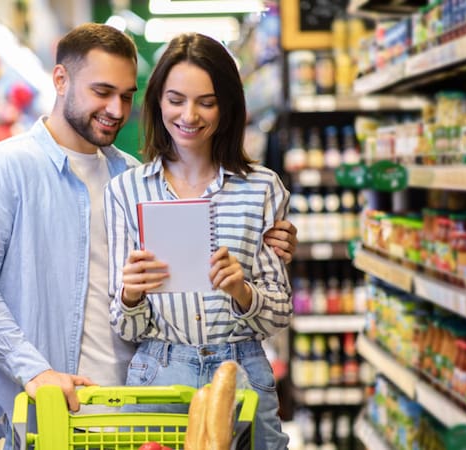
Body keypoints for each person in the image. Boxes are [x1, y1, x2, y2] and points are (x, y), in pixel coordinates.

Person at [0, 23, 297, 447]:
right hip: (59, 404)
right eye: (101, 91)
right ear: (61, 80)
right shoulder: (7, 166)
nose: (116, 108)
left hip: (140, 400)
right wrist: (34, 370)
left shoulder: (129, 175)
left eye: (127, 95)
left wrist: (269, 243)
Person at [104, 32, 292, 450]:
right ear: (156, 102)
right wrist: (131, 295)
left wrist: (242, 291)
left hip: (242, 372)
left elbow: (279, 315)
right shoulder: (126, 192)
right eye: (175, 99)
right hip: (159, 372)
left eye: (206, 101)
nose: (189, 115)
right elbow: (126, 326)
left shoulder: (262, 189)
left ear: (227, 105)